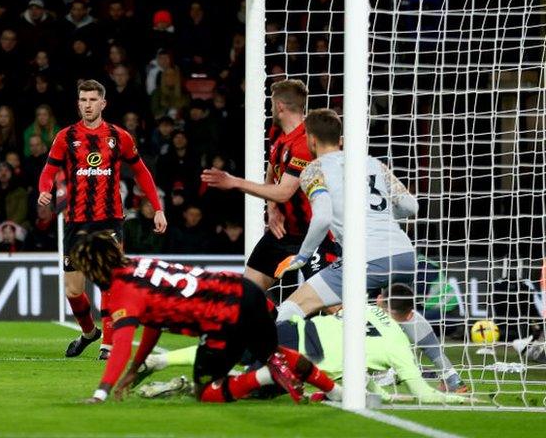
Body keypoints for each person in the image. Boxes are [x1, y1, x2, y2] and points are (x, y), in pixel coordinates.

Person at [69, 231, 329, 404]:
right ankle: (334, 390)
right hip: (246, 291)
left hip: (223, 320)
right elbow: (154, 323)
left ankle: (266, 376)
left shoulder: (124, 292)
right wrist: (136, 369)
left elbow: (122, 345)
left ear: (93, 266)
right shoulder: (139, 263)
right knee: (272, 351)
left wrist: (101, 392)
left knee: (205, 392)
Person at [137, 284, 466, 404]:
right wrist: (455, 399)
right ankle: (189, 385)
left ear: (380, 300)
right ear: (408, 317)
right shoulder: (399, 346)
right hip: (307, 359)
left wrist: (373, 392)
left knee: (233, 348)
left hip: (296, 330)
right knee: (251, 389)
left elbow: (341, 325)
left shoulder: (362, 305)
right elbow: (423, 394)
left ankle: (163, 361)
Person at [37, 79, 166, 360]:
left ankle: (108, 345)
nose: (87, 105)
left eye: (93, 100)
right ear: (78, 103)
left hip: (109, 219)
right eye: (83, 100)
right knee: (73, 290)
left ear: (103, 103)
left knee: (110, 281)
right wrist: (44, 190)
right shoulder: (66, 136)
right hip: (76, 221)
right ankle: (89, 333)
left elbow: (142, 172)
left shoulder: (119, 137)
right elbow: (48, 171)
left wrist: (157, 207)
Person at [273, 109, 417, 322]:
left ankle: (264, 356)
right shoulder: (373, 163)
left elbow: (322, 218)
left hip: (368, 258)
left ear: (311, 140)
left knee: (291, 309)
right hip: (405, 256)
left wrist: (302, 256)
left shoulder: (314, 170)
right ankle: (439, 357)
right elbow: (411, 206)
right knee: (396, 314)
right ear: (339, 139)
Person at [201, 79, 339, 292]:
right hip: (282, 231)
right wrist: (271, 207)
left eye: (272, 104)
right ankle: (267, 325)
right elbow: (272, 170)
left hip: (313, 234)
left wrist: (234, 182)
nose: (271, 108)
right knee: (248, 293)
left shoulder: (306, 142)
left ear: (280, 106)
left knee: (330, 304)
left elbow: (284, 192)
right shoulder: (276, 133)